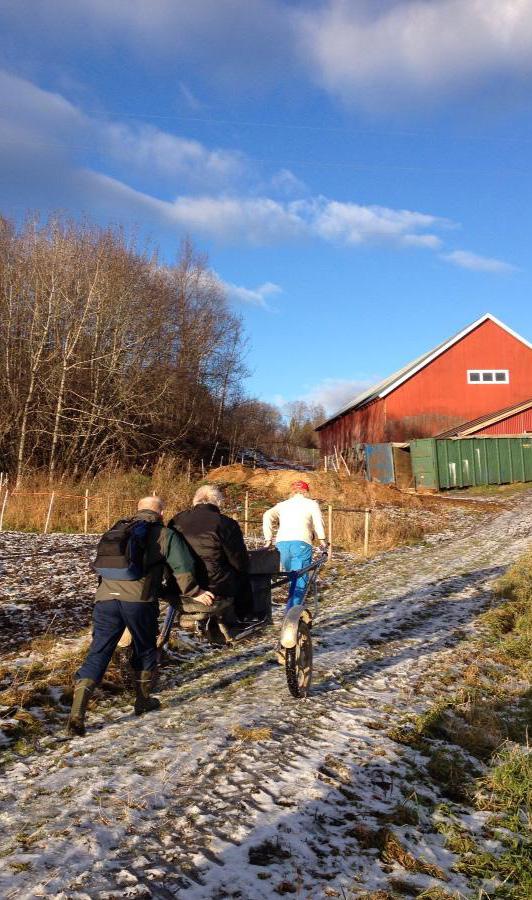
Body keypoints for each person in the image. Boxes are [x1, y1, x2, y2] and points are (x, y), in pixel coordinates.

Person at [67, 496, 213, 737]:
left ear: (138, 510)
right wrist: (195, 592)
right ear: (161, 513)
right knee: (145, 648)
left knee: (99, 651)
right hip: (139, 602)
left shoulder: (118, 529)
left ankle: (76, 714)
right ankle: (143, 700)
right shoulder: (164, 534)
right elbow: (182, 568)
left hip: (105, 600)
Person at [167, 484, 252, 621]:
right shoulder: (226, 523)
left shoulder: (177, 520)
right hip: (214, 586)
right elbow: (238, 560)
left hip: (179, 583)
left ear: (195, 500)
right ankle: (244, 617)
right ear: (218, 502)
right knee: (243, 577)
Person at [263, 480, 326, 611]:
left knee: (293, 578)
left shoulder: (283, 505)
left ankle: (293, 612)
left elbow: (267, 515)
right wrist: (322, 539)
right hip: (301, 543)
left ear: (292, 492)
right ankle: (291, 619)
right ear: (306, 492)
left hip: (282, 544)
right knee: (300, 581)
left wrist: (268, 539)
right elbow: (318, 522)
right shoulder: (311, 504)